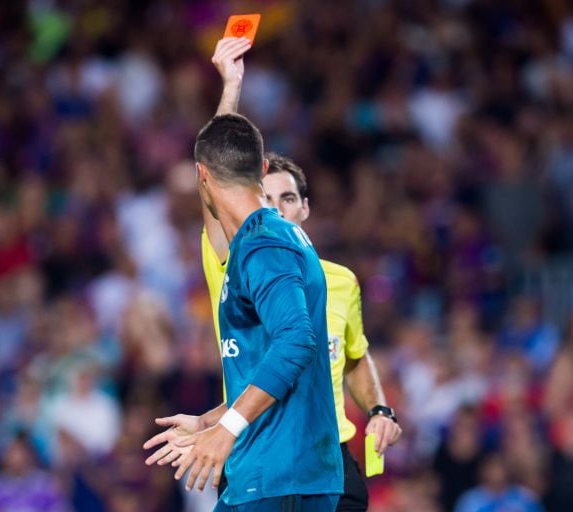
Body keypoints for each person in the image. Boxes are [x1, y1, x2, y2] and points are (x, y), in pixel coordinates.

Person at [204, 37, 402, 511]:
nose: (272, 208)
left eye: (287, 198)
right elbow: (216, 174)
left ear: (306, 208)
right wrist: (230, 90)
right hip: (263, 448)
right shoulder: (236, 255)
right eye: (264, 197)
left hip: (320, 460)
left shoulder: (336, 278)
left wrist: (378, 409)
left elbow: (351, 356)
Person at [145, 110, 343, 508]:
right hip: (278, 474)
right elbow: (269, 367)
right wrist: (209, 421)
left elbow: (295, 342)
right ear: (263, 168)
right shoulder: (271, 239)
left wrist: (227, 430)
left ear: (202, 175)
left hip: (278, 476)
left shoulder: (264, 246)